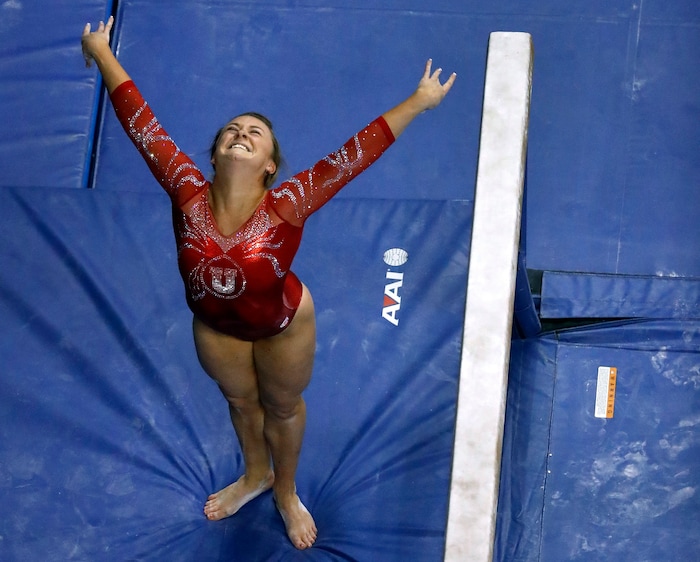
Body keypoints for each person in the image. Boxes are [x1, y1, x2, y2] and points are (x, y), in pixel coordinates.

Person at [81, 15, 456, 550]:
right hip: (216, 327)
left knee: (281, 406)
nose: (241, 134)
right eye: (232, 130)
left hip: (283, 323)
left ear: (269, 165)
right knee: (241, 404)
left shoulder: (289, 202)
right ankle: (255, 475)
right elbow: (142, 123)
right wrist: (100, 49)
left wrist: (418, 101)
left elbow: (355, 154)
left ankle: (285, 490)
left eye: (254, 134)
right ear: (213, 155)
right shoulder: (186, 189)